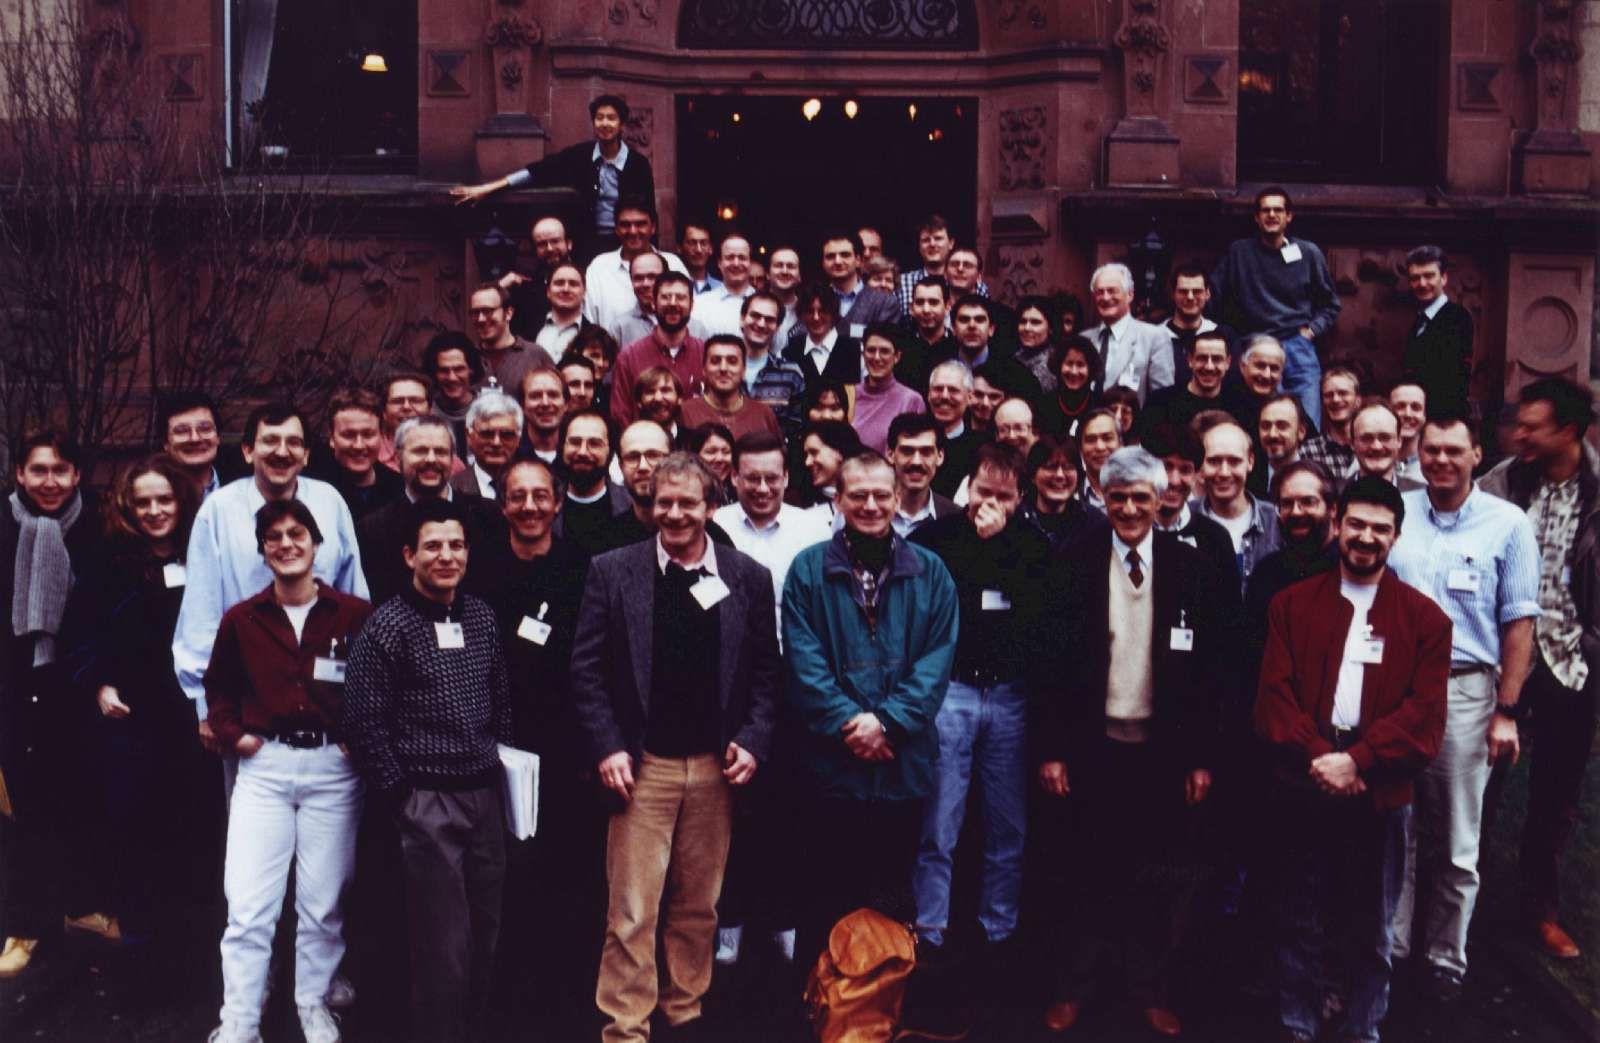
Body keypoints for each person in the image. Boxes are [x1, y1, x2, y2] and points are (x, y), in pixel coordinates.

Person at [570, 452, 782, 1043]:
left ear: (712, 507)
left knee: (699, 906)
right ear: (649, 505)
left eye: (689, 502)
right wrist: (607, 746)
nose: (675, 513)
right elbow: (585, 671)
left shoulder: (747, 578)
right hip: (643, 768)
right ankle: (626, 1025)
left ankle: (684, 1012)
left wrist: (754, 740)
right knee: (633, 909)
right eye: (664, 501)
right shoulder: (614, 571)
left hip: (717, 767)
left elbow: (768, 673)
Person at [1034, 447, 1224, 1037]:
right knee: (1083, 871)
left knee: (1158, 875)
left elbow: (1211, 674)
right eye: (1118, 497)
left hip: (1162, 750)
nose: (1130, 508)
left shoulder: (1191, 567)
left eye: (1142, 496)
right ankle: (1074, 987)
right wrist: (1053, 749)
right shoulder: (1073, 562)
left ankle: (1151, 987)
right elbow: (1049, 664)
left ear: (1164, 498)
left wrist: (1200, 759)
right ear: (1102, 496)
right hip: (1092, 745)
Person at [1255, 476, 1450, 1043]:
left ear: (1396, 537)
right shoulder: (1292, 605)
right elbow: (1273, 697)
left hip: (1379, 791)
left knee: (1371, 926)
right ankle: (1299, 1024)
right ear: (1337, 523)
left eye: (1380, 529)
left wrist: (1358, 761)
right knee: (1300, 916)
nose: (1366, 538)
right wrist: (1322, 756)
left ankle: (1364, 1028)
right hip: (1303, 780)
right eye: (1357, 524)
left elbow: (1423, 717)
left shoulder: (1426, 621)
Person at [341, 499, 512, 1043]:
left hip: (483, 795)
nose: (446, 556)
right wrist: (403, 796)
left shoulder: (481, 617)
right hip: (427, 802)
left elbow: (500, 698)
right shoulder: (388, 626)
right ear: (410, 555)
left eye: (456, 545)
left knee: (485, 934)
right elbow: (365, 720)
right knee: (444, 949)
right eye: (433, 546)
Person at [782, 451, 960, 967]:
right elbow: (804, 661)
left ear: (897, 497)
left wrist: (887, 723)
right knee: (825, 896)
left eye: (881, 494)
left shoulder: (932, 573)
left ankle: (880, 1009)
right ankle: (822, 1011)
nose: (870, 504)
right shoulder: (808, 570)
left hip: (900, 766)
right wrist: (853, 724)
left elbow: (936, 661)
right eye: (857, 494)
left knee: (890, 898)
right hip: (831, 768)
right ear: (838, 499)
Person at [204, 499, 372, 1043]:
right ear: (262, 551)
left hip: (333, 771)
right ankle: (240, 1021)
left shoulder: (352, 615)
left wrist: (357, 738)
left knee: (323, 901)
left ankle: (312, 1003)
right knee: (249, 903)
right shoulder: (243, 619)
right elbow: (219, 689)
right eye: (273, 536)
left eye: (297, 533)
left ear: (317, 543)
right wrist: (235, 735)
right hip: (266, 769)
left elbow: (377, 686)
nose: (286, 544)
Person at [1385, 415, 1540, 1002]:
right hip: (1397, 689)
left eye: (1454, 450)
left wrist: (1507, 711)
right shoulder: (1401, 512)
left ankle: (1446, 955)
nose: (1441, 460)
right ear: (1417, 454)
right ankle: (1392, 945)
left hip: (1467, 689)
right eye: (1431, 450)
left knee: (1454, 833)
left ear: (1477, 453)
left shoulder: (1507, 525)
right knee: (1395, 824)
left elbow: (1520, 621)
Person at [909, 444, 1050, 1017]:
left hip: (1010, 695)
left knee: (1006, 822)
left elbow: (1040, 612)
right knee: (940, 820)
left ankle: (999, 929)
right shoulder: (938, 539)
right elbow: (935, 603)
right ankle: (930, 929)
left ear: (1019, 500)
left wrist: (1002, 546)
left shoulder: (1032, 547)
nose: (990, 504)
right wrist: (977, 544)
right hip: (955, 692)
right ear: (966, 489)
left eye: (1003, 496)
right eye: (982, 493)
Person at [63, 454, 210, 976]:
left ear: (181, 501)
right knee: (136, 828)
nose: (154, 511)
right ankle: (143, 947)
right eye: (143, 501)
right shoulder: (108, 561)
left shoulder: (204, 550)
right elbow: (78, 635)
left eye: (164, 500)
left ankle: (197, 949)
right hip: (133, 718)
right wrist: (98, 683)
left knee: (195, 826)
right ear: (128, 506)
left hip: (195, 715)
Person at [1478, 377, 1598, 960]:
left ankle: (1540, 910)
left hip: (1574, 665)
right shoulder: (1500, 484)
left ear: (1570, 432)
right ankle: (1459, 904)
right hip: (1505, 660)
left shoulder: (1598, 492)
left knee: (1556, 796)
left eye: (1533, 426)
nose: (1518, 434)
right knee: (1480, 786)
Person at [480, 457, 599, 1038]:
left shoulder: (583, 569)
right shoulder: (479, 569)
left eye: (539, 497)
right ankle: (504, 1009)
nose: (529, 506)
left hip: (565, 752)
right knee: (503, 880)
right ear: (502, 504)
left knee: (565, 881)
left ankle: (565, 1005)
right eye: (517, 497)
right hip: (492, 747)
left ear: (557, 504)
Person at [174, 403, 368, 736]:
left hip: (326, 693)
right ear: (248, 451)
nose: (282, 451)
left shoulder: (329, 502)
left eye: (293, 442)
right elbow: (201, 610)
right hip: (245, 693)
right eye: (270, 441)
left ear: (306, 454)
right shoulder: (218, 510)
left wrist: (364, 700)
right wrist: (206, 704)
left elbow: (354, 596)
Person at [0, 432, 105, 979]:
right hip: (14, 693)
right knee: (22, 812)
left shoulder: (96, 530)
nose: (49, 481)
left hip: (76, 689)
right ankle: (22, 924)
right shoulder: (4, 528)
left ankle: (79, 908)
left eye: (60, 470)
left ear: (76, 476)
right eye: (38, 470)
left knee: (82, 803)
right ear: (19, 474)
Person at [451, 95, 656, 260]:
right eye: (599, 118)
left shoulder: (638, 164)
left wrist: (651, 251)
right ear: (593, 123)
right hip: (587, 245)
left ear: (621, 125)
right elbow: (537, 172)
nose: (605, 123)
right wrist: (489, 188)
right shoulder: (580, 156)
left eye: (611, 118)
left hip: (627, 245)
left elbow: (650, 211)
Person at [1210, 186, 1341, 426]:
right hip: (1257, 346)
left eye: (1278, 210)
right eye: (1265, 210)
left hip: (1297, 345)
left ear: (1288, 216)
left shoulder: (1308, 253)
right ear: (1256, 218)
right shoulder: (1239, 252)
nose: (1271, 215)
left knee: (1306, 422)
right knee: (1267, 424)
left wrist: (1311, 332)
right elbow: (1214, 296)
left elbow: (1330, 305)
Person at [361, 416, 503, 607]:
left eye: (440, 452)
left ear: (453, 459)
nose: (431, 459)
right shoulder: (373, 529)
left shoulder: (487, 516)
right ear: (397, 458)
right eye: (420, 451)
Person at [1144, 422, 1241, 602]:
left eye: (1185, 470)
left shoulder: (1216, 539)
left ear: (1197, 475)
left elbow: (1230, 621)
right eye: (1166, 467)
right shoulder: (1126, 533)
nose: (1174, 480)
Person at [1194, 418, 1281, 594]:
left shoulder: (1277, 520)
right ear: (1201, 464)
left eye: (1234, 461)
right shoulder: (1185, 518)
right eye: (1214, 461)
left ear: (1250, 462)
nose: (1224, 472)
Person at [582, 200, 691, 335]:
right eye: (625, 225)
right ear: (616, 229)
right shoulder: (599, 268)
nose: (633, 231)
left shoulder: (673, 263)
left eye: (640, 224)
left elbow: (689, 313)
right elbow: (590, 320)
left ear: (653, 228)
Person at [610, 271, 703, 427]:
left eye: (680, 297)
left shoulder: (706, 355)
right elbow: (620, 414)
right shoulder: (629, 357)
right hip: (645, 447)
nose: (673, 303)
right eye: (665, 297)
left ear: (692, 305)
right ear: (653, 303)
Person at [1080, 263, 1174, 405]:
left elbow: (1162, 400)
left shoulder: (1154, 337)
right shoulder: (1084, 339)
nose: (1105, 298)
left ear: (1130, 294)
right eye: (1100, 292)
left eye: (1112, 291)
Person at [1401, 245, 1474, 419]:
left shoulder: (1457, 318)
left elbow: (1451, 381)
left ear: (1444, 278)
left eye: (1429, 276)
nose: (1422, 284)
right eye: (1415, 278)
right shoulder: (1419, 322)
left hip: (1443, 420)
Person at [679, 334, 784, 443]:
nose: (723, 368)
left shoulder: (763, 415)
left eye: (732, 361)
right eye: (715, 361)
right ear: (704, 369)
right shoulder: (686, 413)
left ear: (743, 370)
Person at [554, 408, 630, 556]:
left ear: (611, 452)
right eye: (575, 442)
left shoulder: (630, 506)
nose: (582, 452)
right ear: (562, 447)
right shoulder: (544, 507)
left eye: (594, 443)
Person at [938, 295, 1041, 405]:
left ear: (991, 329)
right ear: (953, 329)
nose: (972, 326)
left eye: (979, 320)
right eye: (964, 320)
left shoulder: (1019, 377)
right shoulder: (937, 368)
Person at [324, 387, 404, 520]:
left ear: (381, 435)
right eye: (348, 435)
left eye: (368, 434)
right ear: (331, 438)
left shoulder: (400, 489)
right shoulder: (315, 489)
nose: (359, 445)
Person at [467, 283, 557, 395]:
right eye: (475, 312)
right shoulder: (467, 356)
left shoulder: (535, 356)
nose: (480, 319)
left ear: (508, 313)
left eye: (488, 311)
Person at [742, 292, 810, 443]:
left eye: (769, 319)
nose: (761, 324)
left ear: (778, 327)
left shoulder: (791, 374)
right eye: (755, 316)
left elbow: (797, 431)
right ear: (742, 319)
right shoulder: (722, 369)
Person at [851, 325, 926, 454]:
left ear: (897, 357)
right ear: (863, 355)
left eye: (884, 351)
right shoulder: (849, 395)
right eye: (871, 350)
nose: (877, 357)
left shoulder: (911, 400)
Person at [499, 216, 575, 340]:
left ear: (568, 244)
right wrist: (499, 287)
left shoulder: (588, 278)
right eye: (542, 244)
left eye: (555, 241)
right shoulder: (527, 289)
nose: (549, 248)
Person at [886, 413, 961, 538]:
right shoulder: (870, 511)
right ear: (890, 454)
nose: (916, 461)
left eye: (926, 452)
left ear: (940, 456)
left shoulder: (955, 517)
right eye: (907, 451)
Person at [1142, 329, 1232, 432]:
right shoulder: (1160, 403)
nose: (1209, 367)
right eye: (1202, 358)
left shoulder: (1239, 406)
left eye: (1216, 359)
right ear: (1190, 360)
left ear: (1228, 363)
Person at [1164, 264, 1237, 388]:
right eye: (1183, 291)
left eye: (1197, 291)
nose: (1190, 297)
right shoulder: (1154, 336)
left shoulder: (1225, 335)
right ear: (1173, 294)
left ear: (1207, 293)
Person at [818, 229, 901, 337]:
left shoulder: (885, 303)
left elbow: (882, 344)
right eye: (830, 256)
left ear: (858, 260)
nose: (837, 261)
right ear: (823, 263)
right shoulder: (814, 300)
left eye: (845, 255)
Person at [782, 280, 861, 392]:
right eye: (809, 311)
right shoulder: (790, 350)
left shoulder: (853, 349)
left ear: (833, 313)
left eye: (823, 311)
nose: (816, 317)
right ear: (802, 314)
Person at [1025, 435, 1101, 551]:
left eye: (1068, 467)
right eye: (1050, 467)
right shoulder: (1015, 521)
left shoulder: (1095, 524)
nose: (1060, 475)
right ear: (1032, 475)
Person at [452, 389, 525, 499]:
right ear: (469, 436)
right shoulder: (452, 488)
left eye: (506, 435)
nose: (496, 443)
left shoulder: (532, 484)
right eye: (487, 434)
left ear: (518, 439)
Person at [927, 360, 985, 498]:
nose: (945, 396)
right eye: (938, 389)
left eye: (953, 390)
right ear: (928, 395)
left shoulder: (980, 447)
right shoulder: (913, 440)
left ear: (970, 397)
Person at [422, 332, 483, 462]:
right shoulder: (426, 413)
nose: (452, 378)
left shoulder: (488, 408)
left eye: (459, 369)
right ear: (434, 373)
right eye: (444, 370)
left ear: (471, 369)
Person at [160, 391, 227, 499]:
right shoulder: (152, 497)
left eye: (205, 429)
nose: (195, 439)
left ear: (218, 437)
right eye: (182, 431)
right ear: (165, 443)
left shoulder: (245, 491)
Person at [1300, 367, 1361, 482]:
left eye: (1343, 393)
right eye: (1329, 395)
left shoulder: (1369, 446)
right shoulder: (1308, 452)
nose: (1336, 399)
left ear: (1358, 400)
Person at [689, 234, 755, 339]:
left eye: (742, 258)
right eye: (730, 257)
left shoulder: (765, 305)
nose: (736, 263)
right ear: (719, 263)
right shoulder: (700, 305)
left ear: (750, 263)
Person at [901, 275, 959, 394]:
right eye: (920, 302)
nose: (926, 309)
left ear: (948, 306)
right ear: (911, 308)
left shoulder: (958, 347)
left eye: (933, 302)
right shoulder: (900, 347)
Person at [1351, 400, 1425, 491]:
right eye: (1367, 438)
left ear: (1399, 441)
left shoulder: (1420, 493)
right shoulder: (1334, 496)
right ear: (1352, 443)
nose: (1376, 447)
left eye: (1385, 438)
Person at [1037, 336, 1102, 439]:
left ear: (1090, 369)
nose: (1074, 371)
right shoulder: (1044, 404)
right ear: (1059, 365)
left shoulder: (1099, 406)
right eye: (1069, 364)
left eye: (1080, 365)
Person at [599, 251, 664, 348]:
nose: (645, 284)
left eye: (652, 277)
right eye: (638, 278)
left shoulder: (689, 325)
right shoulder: (619, 328)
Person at [797, 421, 863, 514]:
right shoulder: (796, 504)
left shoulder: (870, 500)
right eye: (806, 455)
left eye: (814, 452)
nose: (807, 462)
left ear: (839, 452)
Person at [1254, 393, 1310, 497]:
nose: (1272, 434)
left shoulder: (1314, 480)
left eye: (1282, 426)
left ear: (1301, 431)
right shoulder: (1249, 478)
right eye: (1266, 426)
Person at [897, 213, 955, 312]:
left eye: (938, 238)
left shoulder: (966, 282)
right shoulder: (902, 282)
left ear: (950, 243)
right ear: (919, 247)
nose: (932, 244)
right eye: (926, 240)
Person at [377, 374, 433, 473]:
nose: (406, 407)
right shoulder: (371, 455)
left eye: (416, 401)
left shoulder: (448, 459)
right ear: (384, 412)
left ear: (430, 410)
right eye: (397, 401)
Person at [533, 262, 588, 359]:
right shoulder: (527, 329)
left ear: (584, 292)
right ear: (548, 292)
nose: (566, 289)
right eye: (559, 283)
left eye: (573, 284)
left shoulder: (594, 335)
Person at [518, 367, 569, 463]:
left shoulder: (575, 455)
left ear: (566, 404)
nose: (545, 403)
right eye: (535, 396)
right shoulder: (511, 454)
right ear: (522, 405)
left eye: (553, 395)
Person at [1076, 408, 1123, 514]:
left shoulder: (1140, 488)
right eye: (1091, 440)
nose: (1100, 447)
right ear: (1080, 448)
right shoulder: (1070, 493)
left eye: (1107, 438)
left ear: (1120, 444)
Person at [1013, 295, 1058, 394]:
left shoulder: (1054, 365)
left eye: (1035, 322)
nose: (1027, 328)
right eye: (1023, 321)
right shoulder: (1014, 356)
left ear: (1050, 328)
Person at [684, 423, 737, 505]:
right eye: (711, 452)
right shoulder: (683, 492)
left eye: (726, 452)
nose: (720, 458)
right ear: (694, 455)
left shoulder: (739, 494)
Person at [1390, 381, 1427, 482]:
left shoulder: (1433, 466)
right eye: (1400, 406)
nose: (1408, 414)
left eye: (1416, 408)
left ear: (1424, 415)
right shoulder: (1369, 461)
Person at [678, 219, 721, 296]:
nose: (698, 250)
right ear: (679, 248)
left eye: (703, 243)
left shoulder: (721, 289)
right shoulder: (673, 287)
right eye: (692, 243)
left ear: (711, 248)